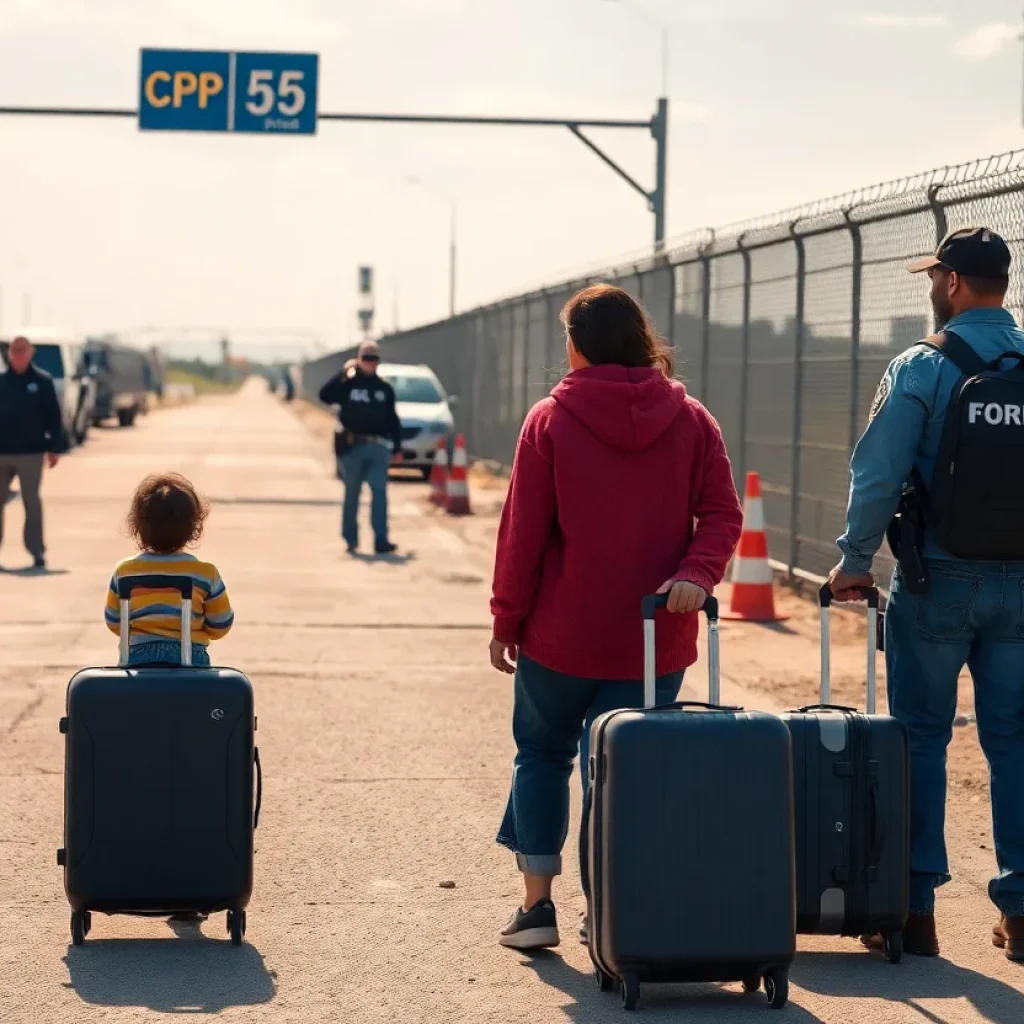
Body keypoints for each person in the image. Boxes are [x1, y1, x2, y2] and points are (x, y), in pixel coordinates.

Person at [488, 284, 743, 950]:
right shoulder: (692, 420)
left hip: (559, 635)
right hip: (655, 639)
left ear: (576, 346)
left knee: (542, 756)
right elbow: (721, 514)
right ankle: (608, 912)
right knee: (625, 772)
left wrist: (506, 619)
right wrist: (695, 574)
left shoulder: (549, 420)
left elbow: (523, 534)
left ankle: (536, 909)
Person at [828, 227, 1024, 960]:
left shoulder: (924, 364)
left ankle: (913, 912)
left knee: (920, 740)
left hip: (936, 579)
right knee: (1015, 741)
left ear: (951, 284)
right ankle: (1022, 909)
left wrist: (853, 561)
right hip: (1023, 587)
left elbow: (876, 474)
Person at [105, 473, 234, 668]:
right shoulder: (205, 574)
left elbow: (115, 621)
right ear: (193, 527)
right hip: (192, 659)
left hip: (138, 660)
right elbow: (221, 625)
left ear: (138, 525)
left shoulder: (125, 571)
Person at [318, 341, 402, 555]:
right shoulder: (348, 385)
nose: (369, 363)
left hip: (378, 447)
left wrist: (397, 447)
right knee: (352, 494)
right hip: (352, 447)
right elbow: (325, 395)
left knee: (379, 493)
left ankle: (381, 540)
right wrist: (343, 373)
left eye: (373, 358)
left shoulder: (384, 389)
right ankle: (351, 539)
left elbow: (393, 419)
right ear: (358, 360)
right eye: (365, 358)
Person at [0, 335, 63, 571]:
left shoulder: (42, 381)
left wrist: (54, 447)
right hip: (2, 452)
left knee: (31, 501)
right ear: (9, 354)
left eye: (23, 351)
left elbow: (53, 416)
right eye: (15, 351)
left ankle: (36, 551)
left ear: (30, 353)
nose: (18, 355)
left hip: (31, 453)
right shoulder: (2, 381)